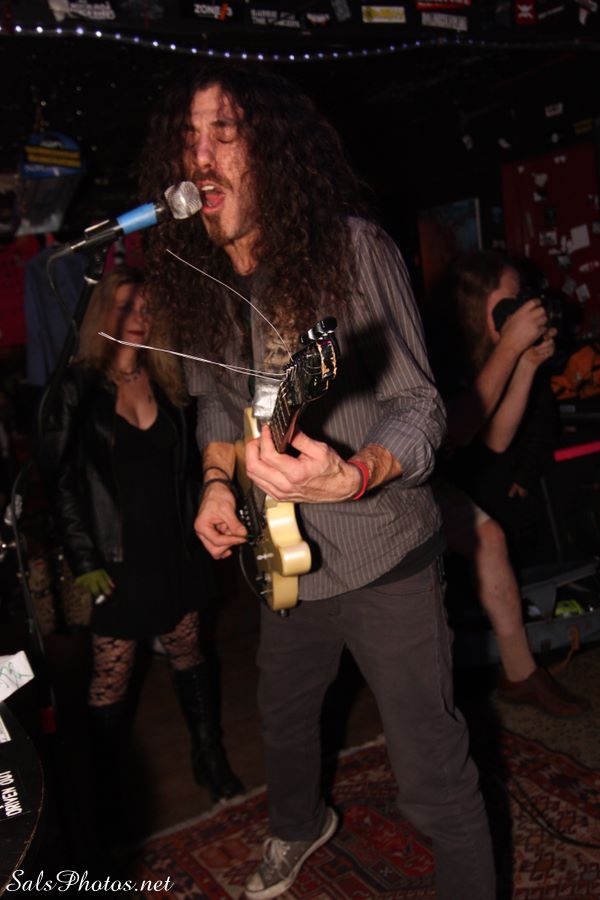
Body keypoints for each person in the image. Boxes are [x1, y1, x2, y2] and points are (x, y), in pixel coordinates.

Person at [140, 64, 495, 900]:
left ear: (271, 149)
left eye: (224, 132)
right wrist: (216, 485)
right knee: (285, 719)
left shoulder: (350, 249)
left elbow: (420, 407)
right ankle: (299, 826)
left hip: (382, 557)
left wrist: (359, 473)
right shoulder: (201, 281)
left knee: (431, 774)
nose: (201, 157)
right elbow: (217, 411)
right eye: (189, 138)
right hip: (285, 560)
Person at [39, 267, 242, 845]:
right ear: (103, 312)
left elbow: (190, 468)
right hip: (115, 559)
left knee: (189, 653)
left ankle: (209, 754)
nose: (138, 318)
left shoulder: (169, 379)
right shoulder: (77, 388)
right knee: (111, 678)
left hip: (173, 550)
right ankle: (105, 790)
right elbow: (59, 484)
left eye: (148, 308)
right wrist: (84, 559)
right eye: (126, 307)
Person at [431, 250, 590, 716]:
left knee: (491, 538)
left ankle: (520, 674)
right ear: (476, 304)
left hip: (445, 480)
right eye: (509, 300)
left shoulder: (491, 353)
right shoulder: (440, 354)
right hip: (396, 480)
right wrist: (510, 350)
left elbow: (497, 439)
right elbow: (458, 429)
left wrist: (525, 363)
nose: (520, 309)